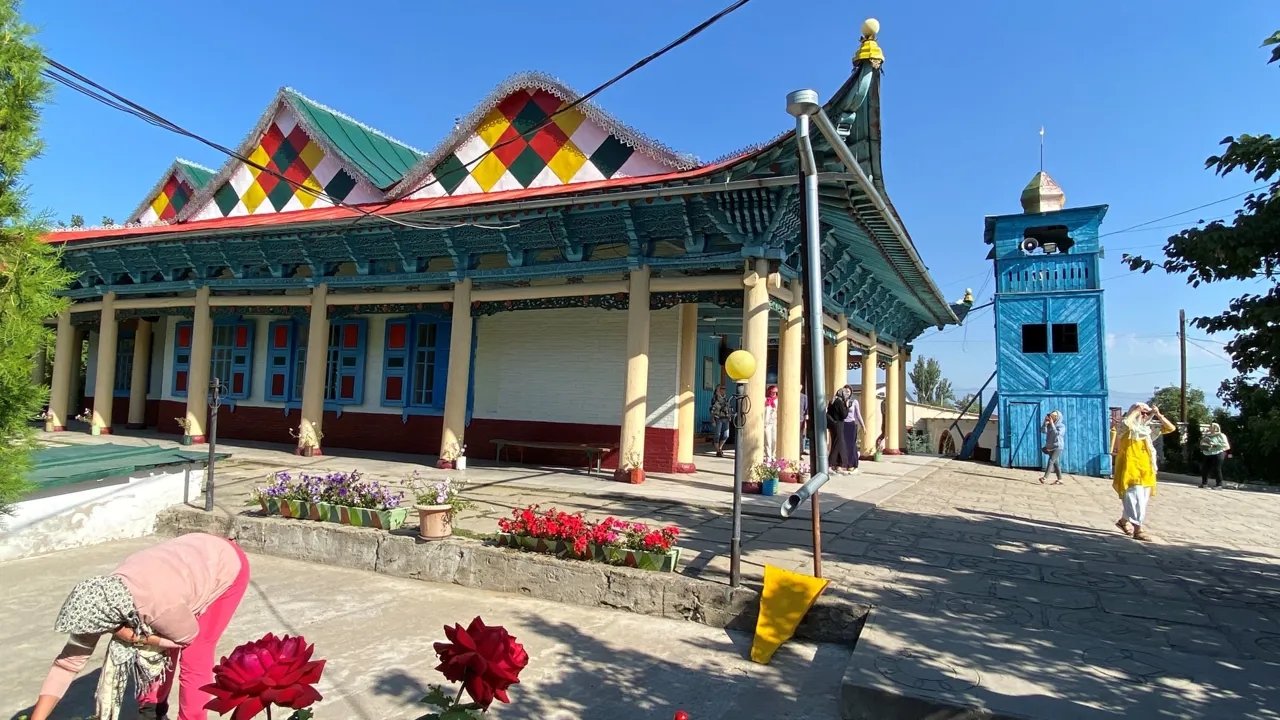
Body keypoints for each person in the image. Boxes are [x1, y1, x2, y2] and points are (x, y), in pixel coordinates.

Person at [29, 533, 251, 720]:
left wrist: (135, 638)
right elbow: (67, 664)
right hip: (183, 562)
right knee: (152, 642)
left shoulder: (158, 606)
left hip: (224, 564)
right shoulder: (101, 598)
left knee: (195, 653)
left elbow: (186, 638)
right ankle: (152, 709)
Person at [1112, 403, 1176, 541]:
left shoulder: (1147, 430)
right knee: (1135, 499)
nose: (1145, 415)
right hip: (1130, 468)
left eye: (1147, 413)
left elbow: (1171, 428)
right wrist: (1136, 411)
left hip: (1146, 469)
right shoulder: (1125, 429)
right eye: (1143, 413)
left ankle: (1123, 521)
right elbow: (1126, 423)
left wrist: (1158, 414)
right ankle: (1138, 529)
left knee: (1142, 501)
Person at [827, 386, 852, 473]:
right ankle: (829, 464)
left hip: (833, 425)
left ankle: (838, 465)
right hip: (838, 425)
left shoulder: (833, 401)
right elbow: (844, 415)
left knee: (840, 445)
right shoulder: (839, 402)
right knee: (837, 445)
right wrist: (847, 407)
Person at [1199, 422, 1231, 489]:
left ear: (1215, 428)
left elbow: (1225, 445)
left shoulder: (1221, 435)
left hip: (1218, 453)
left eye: (1210, 427)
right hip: (1208, 453)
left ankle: (1219, 485)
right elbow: (1204, 443)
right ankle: (1204, 484)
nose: (1209, 428)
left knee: (1217, 469)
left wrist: (1214, 445)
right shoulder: (1208, 435)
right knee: (1205, 468)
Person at [842, 385, 865, 474]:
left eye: (848, 391)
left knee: (852, 446)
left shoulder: (854, 402)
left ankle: (853, 465)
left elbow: (858, 415)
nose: (847, 393)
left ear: (851, 392)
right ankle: (846, 464)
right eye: (845, 391)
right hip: (843, 424)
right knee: (844, 446)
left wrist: (863, 426)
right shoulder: (841, 401)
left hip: (851, 425)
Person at [1041, 410, 1066, 485]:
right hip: (1050, 446)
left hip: (1058, 446)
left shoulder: (1061, 426)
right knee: (1056, 463)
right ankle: (1060, 479)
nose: (1052, 417)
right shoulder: (1049, 425)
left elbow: (1057, 434)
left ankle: (1045, 477)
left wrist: (1052, 424)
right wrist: (1045, 424)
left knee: (1051, 461)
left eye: (1054, 416)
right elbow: (1043, 431)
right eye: (1051, 416)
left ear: (1058, 417)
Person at [710, 386, 732, 458]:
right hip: (718, 418)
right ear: (717, 391)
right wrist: (712, 420)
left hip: (726, 418)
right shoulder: (715, 399)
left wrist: (729, 416)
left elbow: (728, 408)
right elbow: (712, 410)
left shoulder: (726, 399)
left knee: (726, 435)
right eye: (721, 389)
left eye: (724, 389)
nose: (723, 390)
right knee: (717, 435)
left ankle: (720, 448)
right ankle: (718, 450)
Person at [763, 385, 779, 460]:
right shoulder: (765, 400)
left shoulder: (777, 401)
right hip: (767, 423)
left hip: (775, 423)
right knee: (767, 440)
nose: (773, 394)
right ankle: (768, 457)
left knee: (774, 440)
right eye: (772, 392)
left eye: (775, 392)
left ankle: (773, 455)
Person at [799, 386, 809, 455]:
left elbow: (806, 408)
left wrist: (806, 417)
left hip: (801, 419)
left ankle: (801, 450)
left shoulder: (804, 397)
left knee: (801, 435)